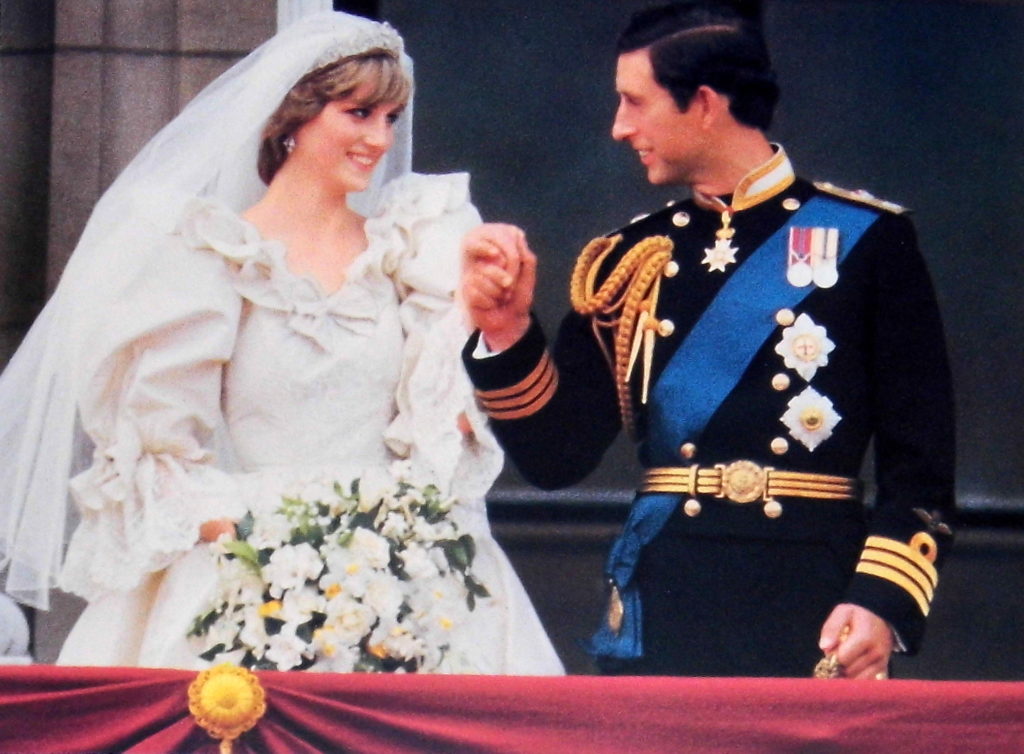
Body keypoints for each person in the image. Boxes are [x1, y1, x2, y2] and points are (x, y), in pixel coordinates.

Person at [0, 11, 562, 674]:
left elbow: (444, 435)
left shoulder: (413, 251)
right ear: (293, 117)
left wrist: (482, 308)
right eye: (358, 113)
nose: (379, 139)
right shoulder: (206, 255)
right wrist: (265, 548)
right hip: (247, 567)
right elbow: (160, 458)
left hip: (404, 572)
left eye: (390, 117)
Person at [460, 0, 954, 678]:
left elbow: (921, 466)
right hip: (665, 604)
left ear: (704, 102)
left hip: (813, 603)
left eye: (635, 102)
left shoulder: (867, 241)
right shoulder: (628, 258)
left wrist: (880, 600)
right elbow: (556, 458)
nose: (618, 127)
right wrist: (506, 331)